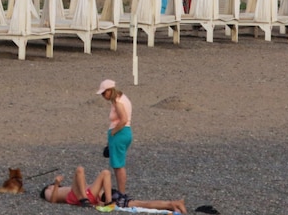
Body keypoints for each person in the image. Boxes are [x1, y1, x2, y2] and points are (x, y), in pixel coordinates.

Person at [39, 167, 187, 214]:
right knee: (141, 203)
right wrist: (56, 184)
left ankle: (172, 204)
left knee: (105, 172)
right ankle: (172, 204)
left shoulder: (65, 188)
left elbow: (81, 184)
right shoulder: (49, 190)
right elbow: (52, 201)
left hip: (93, 195)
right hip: (81, 197)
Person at [98, 79, 133, 198]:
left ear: (109, 91)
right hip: (125, 133)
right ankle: (121, 191)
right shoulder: (123, 98)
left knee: (118, 165)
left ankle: (122, 193)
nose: (103, 96)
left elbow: (123, 119)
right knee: (118, 164)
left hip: (120, 134)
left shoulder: (118, 102)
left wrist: (113, 132)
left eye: (104, 93)